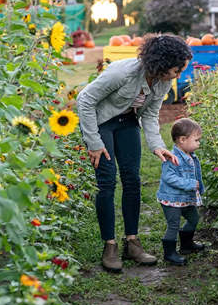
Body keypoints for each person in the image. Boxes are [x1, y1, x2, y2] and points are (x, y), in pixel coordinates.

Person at [77, 33, 192, 273]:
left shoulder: (161, 82)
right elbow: (85, 99)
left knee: (132, 180)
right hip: (102, 123)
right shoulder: (123, 73)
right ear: (161, 64)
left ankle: (132, 242)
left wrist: (157, 145)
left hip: (127, 121)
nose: (178, 75)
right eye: (176, 70)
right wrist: (94, 142)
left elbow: (150, 114)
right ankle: (109, 245)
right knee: (107, 182)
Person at [156, 117, 206, 265]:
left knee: (194, 219)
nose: (199, 143)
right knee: (173, 224)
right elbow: (168, 177)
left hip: (186, 199)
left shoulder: (191, 156)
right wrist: (189, 183)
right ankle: (170, 253)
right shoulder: (172, 158)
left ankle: (186, 244)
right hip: (171, 199)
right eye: (196, 140)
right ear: (183, 140)